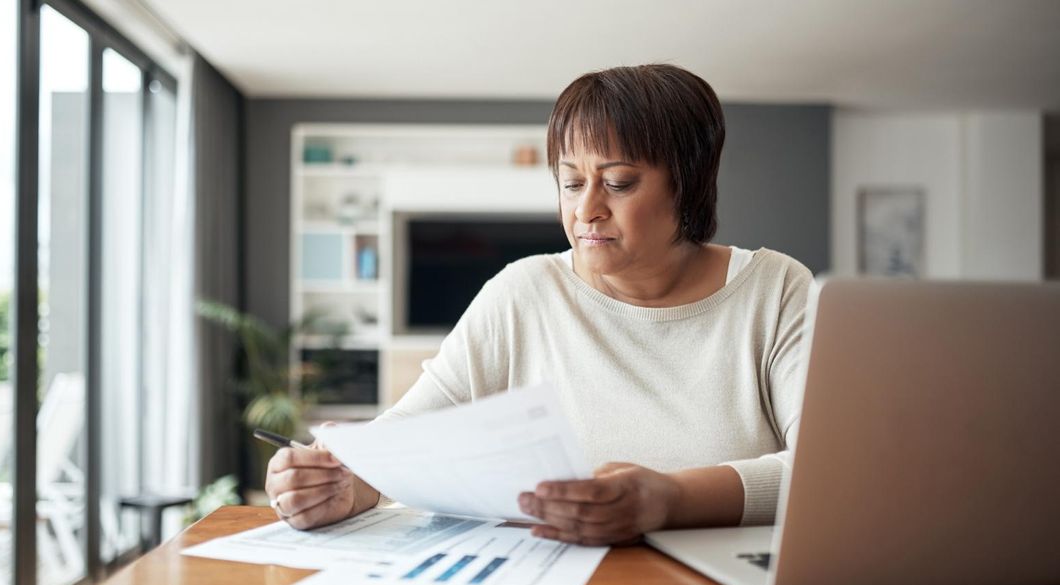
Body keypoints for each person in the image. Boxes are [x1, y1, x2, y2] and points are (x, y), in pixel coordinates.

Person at [265, 64, 812, 546]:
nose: (587, 210)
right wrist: (341, 486)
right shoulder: (521, 292)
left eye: (618, 183)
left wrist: (668, 498)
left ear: (688, 185)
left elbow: (825, 468)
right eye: (571, 184)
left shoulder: (775, 288)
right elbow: (403, 441)